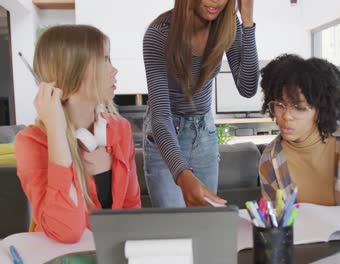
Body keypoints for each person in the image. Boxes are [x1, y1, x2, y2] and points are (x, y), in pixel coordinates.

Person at [14, 25, 141, 243]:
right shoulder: (31, 143)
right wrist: (56, 132)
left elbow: (131, 209)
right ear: (72, 70)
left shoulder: (119, 129)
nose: (114, 70)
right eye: (104, 60)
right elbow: (67, 231)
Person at [142, 0, 258, 207]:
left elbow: (247, 88)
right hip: (167, 134)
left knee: (204, 223)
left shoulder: (226, 26)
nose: (216, 1)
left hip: (204, 133)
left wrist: (247, 20)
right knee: (174, 228)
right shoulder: (159, 34)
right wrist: (182, 174)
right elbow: (160, 116)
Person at [258, 54, 340, 207]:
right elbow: (275, 222)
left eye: (300, 108)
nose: (286, 116)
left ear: (321, 110)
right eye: (279, 105)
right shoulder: (270, 161)